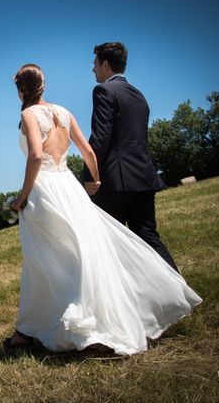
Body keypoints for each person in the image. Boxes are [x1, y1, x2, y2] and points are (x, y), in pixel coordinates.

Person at [5, 63, 201, 355]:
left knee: (43, 260)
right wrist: (94, 180)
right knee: (80, 252)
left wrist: (21, 198)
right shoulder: (64, 113)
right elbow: (88, 151)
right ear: (42, 86)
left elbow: (35, 156)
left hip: (46, 190)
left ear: (21, 90)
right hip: (70, 186)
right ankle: (41, 323)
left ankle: (40, 327)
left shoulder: (28, 114)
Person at [82, 42, 178, 271]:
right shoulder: (139, 95)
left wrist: (89, 176)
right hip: (143, 177)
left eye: (94, 64)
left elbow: (100, 139)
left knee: (108, 243)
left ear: (105, 64)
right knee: (148, 238)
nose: (92, 69)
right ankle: (179, 293)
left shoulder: (103, 91)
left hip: (116, 182)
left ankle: (122, 301)